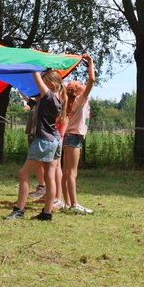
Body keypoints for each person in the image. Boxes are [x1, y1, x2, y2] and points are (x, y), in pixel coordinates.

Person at [5, 69, 66, 221]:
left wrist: (36, 65)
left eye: (43, 85)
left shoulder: (49, 97)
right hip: (54, 140)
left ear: (50, 85)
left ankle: (19, 210)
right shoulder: (55, 100)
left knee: (23, 174)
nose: (39, 88)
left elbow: (35, 75)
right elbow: (31, 99)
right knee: (49, 177)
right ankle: (47, 213)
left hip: (44, 141)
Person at [62, 52, 96, 214]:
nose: (84, 84)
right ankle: (74, 205)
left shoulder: (68, 102)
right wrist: (90, 62)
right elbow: (92, 80)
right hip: (74, 137)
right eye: (80, 83)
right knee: (72, 173)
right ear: (77, 91)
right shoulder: (80, 100)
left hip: (68, 137)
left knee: (66, 172)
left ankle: (68, 203)